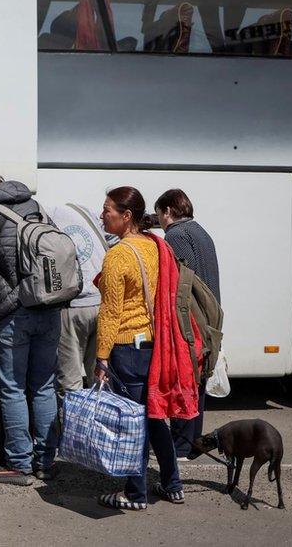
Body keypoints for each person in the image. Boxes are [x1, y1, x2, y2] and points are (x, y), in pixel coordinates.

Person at [93, 186, 197, 511]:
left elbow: (111, 313)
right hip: (155, 344)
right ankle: (173, 485)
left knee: (132, 421)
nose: (101, 215)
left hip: (127, 346)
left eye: (107, 209)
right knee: (154, 418)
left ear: (126, 217)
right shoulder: (157, 246)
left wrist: (101, 357)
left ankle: (135, 494)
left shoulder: (119, 255)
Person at [0, 173, 61, 486]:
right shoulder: (38, 208)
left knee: (13, 388)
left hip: (10, 317)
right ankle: (46, 461)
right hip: (48, 310)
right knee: (44, 386)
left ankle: (19, 464)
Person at [154, 188, 220, 460]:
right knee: (198, 380)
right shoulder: (200, 231)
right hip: (210, 315)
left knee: (184, 379)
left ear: (168, 211)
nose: (158, 220)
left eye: (159, 214)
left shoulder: (176, 235)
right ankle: (192, 443)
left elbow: (182, 282)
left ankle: (180, 445)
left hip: (192, 318)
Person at [48, 203, 113, 393]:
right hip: (100, 301)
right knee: (100, 376)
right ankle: (100, 420)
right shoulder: (84, 211)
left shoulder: (47, 215)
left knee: (70, 380)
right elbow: (113, 237)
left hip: (72, 306)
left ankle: (73, 421)